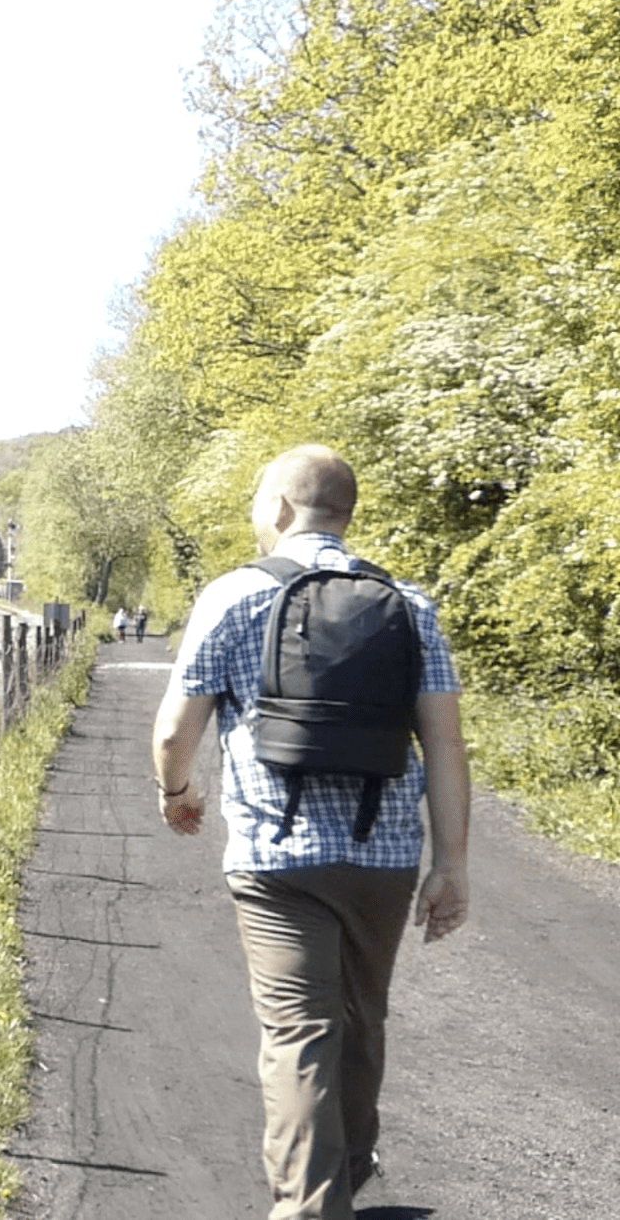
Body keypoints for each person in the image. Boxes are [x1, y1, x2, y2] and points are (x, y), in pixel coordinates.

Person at [151, 444, 471, 1220]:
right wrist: (451, 864)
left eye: (261, 502)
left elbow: (173, 732)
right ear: (346, 513)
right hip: (385, 857)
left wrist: (177, 792)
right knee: (362, 1019)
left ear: (282, 510)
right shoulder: (410, 605)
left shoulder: (232, 595)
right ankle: (346, 1173)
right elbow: (444, 744)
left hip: (275, 856)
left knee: (300, 1030)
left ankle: (307, 1206)